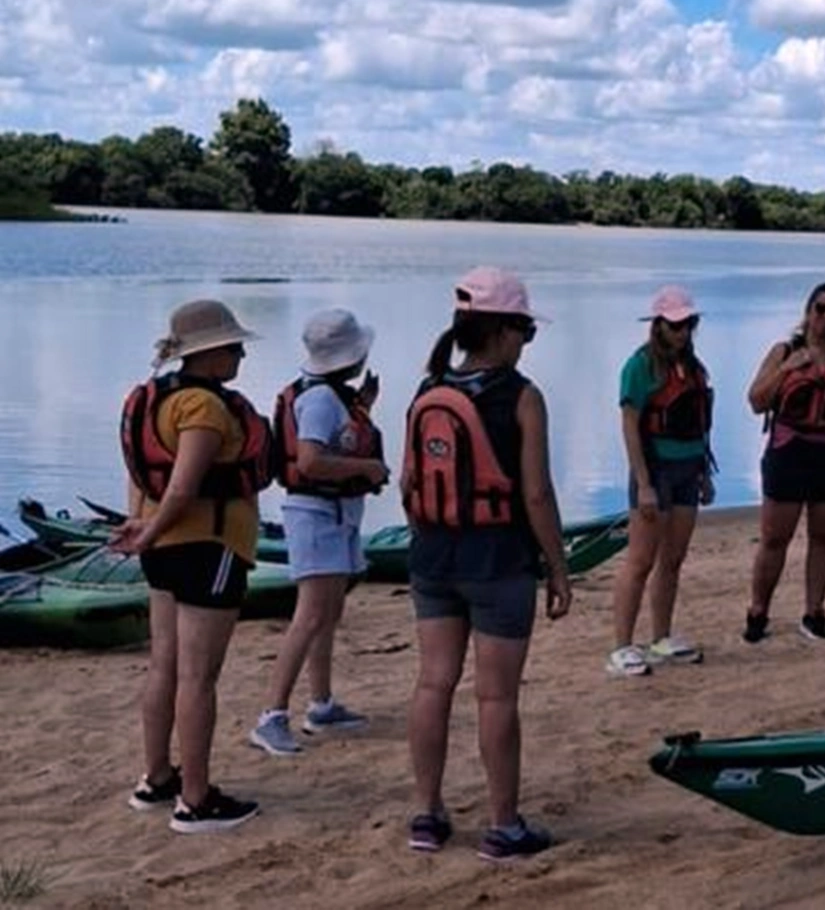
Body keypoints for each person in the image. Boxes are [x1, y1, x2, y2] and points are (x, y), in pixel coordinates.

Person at [403, 266, 572, 859]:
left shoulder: (428, 391)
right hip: (498, 561)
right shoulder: (523, 397)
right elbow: (536, 494)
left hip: (432, 556)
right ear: (503, 331)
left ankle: (426, 815)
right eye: (525, 329)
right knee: (496, 698)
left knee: (433, 683)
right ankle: (503, 825)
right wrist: (557, 567)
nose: (527, 341)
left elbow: (407, 483)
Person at [112, 298, 271, 833]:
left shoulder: (153, 398)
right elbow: (182, 489)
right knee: (199, 677)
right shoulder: (203, 408)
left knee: (166, 665)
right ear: (209, 354)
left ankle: (157, 778)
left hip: (163, 549)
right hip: (208, 548)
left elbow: (143, 477)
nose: (242, 355)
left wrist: (141, 527)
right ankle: (196, 800)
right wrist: (149, 533)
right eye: (233, 347)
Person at [249, 308, 389, 756]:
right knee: (310, 615)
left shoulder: (329, 396)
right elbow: (309, 461)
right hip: (316, 514)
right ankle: (271, 715)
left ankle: (321, 703)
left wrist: (363, 408)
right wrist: (368, 467)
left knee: (327, 614)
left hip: (333, 511)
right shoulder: (321, 400)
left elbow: (335, 440)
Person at [743, 282, 825, 642]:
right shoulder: (784, 351)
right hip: (790, 453)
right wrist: (786, 369)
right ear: (808, 311)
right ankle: (758, 611)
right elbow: (756, 401)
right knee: (775, 538)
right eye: (820, 309)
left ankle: (814, 611)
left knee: (823, 536)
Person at [606, 286, 715, 677]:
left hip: (688, 469)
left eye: (688, 324)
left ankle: (661, 637)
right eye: (676, 325)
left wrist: (704, 474)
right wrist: (643, 482)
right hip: (655, 470)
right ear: (659, 326)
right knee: (640, 560)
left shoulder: (694, 368)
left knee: (673, 558)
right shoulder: (639, 367)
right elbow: (630, 424)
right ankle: (621, 646)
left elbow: (700, 422)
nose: (683, 332)